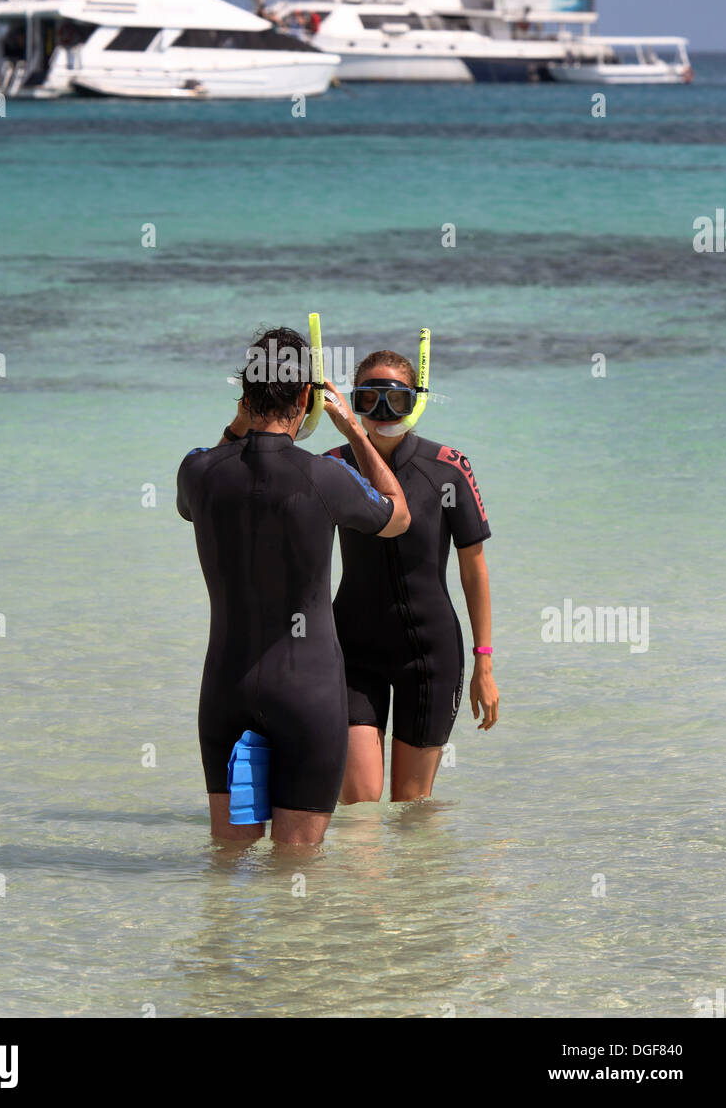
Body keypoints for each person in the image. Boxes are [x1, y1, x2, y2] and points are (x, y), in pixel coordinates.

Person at [176, 327, 410, 846]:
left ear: (245, 392)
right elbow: (398, 516)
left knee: (227, 860)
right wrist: (355, 432)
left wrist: (240, 420)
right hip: (308, 691)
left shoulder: (197, 472)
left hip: (225, 688)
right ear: (306, 397)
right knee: (297, 868)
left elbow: (191, 500)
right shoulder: (324, 476)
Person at [325, 348, 499, 804]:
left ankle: (420, 880)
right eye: (368, 399)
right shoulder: (330, 468)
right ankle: (360, 880)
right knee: (360, 801)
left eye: (396, 400)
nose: (382, 413)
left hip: (430, 655)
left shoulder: (448, 468)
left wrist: (485, 660)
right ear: (351, 404)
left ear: (417, 400)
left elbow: (473, 567)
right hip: (351, 652)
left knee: (411, 808)